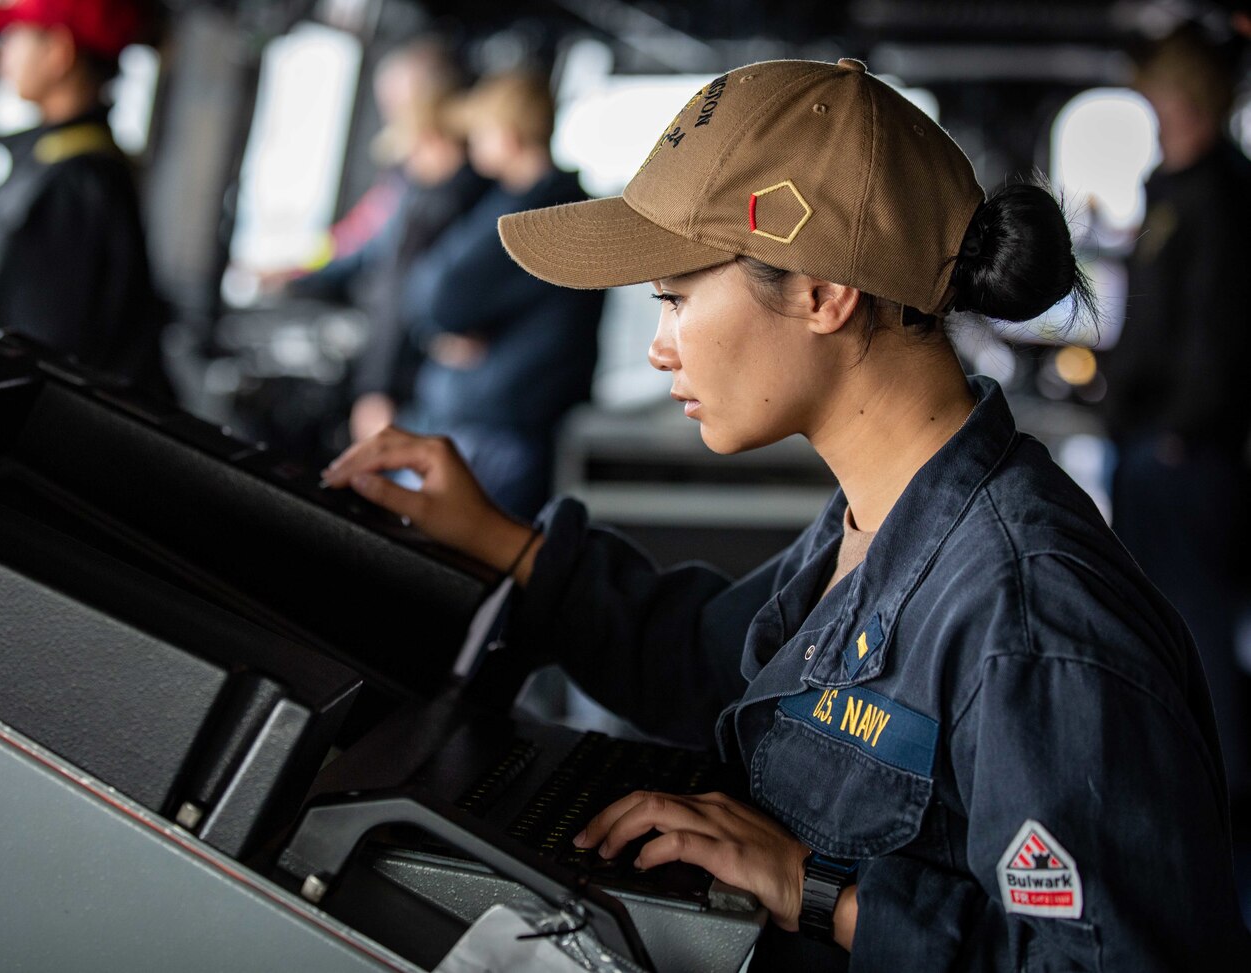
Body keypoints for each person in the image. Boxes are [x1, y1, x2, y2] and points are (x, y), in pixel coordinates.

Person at [322, 58, 1250, 968]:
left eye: (676, 299)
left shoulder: (1030, 616)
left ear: (822, 290)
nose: (658, 349)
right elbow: (712, 662)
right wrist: (502, 543)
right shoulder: (878, 518)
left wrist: (820, 893)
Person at [1103, 26, 1251, 821]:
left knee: (1193, 623)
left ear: (1190, 99)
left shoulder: (1219, 195)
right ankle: (1182, 778)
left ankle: (1217, 798)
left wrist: (1182, 431)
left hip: (1181, 451)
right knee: (1163, 620)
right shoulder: (1176, 187)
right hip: (1154, 439)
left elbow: (1218, 332)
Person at [0, 0, 169, 394]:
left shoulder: (74, 183)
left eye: (14, 36)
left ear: (58, 52)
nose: (2, 52)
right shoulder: (70, 165)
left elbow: (37, 356)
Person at [398, 70, 605, 519]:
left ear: (508, 136)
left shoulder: (540, 214)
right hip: (507, 423)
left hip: (498, 433)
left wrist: (443, 328)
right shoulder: (558, 204)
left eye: (481, 133)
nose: (472, 145)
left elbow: (439, 297)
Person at [282, 38, 490, 443]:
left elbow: (408, 288)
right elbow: (364, 245)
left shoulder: (458, 190)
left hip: (421, 381)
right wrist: (296, 272)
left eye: (397, 103)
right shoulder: (404, 179)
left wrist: (377, 389)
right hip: (398, 362)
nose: (389, 114)